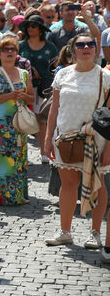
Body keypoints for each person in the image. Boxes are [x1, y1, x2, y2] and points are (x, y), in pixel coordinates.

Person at [43, 35, 110, 250]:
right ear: (73, 50)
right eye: (81, 45)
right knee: (68, 184)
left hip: (96, 139)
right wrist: (48, 137)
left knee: (97, 186)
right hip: (66, 140)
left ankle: (96, 233)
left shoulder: (104, 76)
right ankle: (65, 231)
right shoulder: (62, 73)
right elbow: (54, 109)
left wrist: (109, 146)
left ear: (96, 49)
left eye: (91, 44)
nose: (86, 48)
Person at [0, 36, 34, 206]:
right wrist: (9, 96)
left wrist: (24, 96)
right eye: (5, 50)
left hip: (17, 125)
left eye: (13, 49)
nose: (9, 52)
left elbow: (32, 98)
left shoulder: (24, 74)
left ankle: (16, 195)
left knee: (16, 159)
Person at [18, 15, 58, 161]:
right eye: (28, 25)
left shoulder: (50, 47)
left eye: (33, 25)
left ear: (41, 29)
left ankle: (44, 152)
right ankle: (20, 155)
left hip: (44, 88)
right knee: (22, 120)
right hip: (24, 88)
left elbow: (55, 67)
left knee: (41, 120)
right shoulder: (20, 45)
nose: (30, 28)